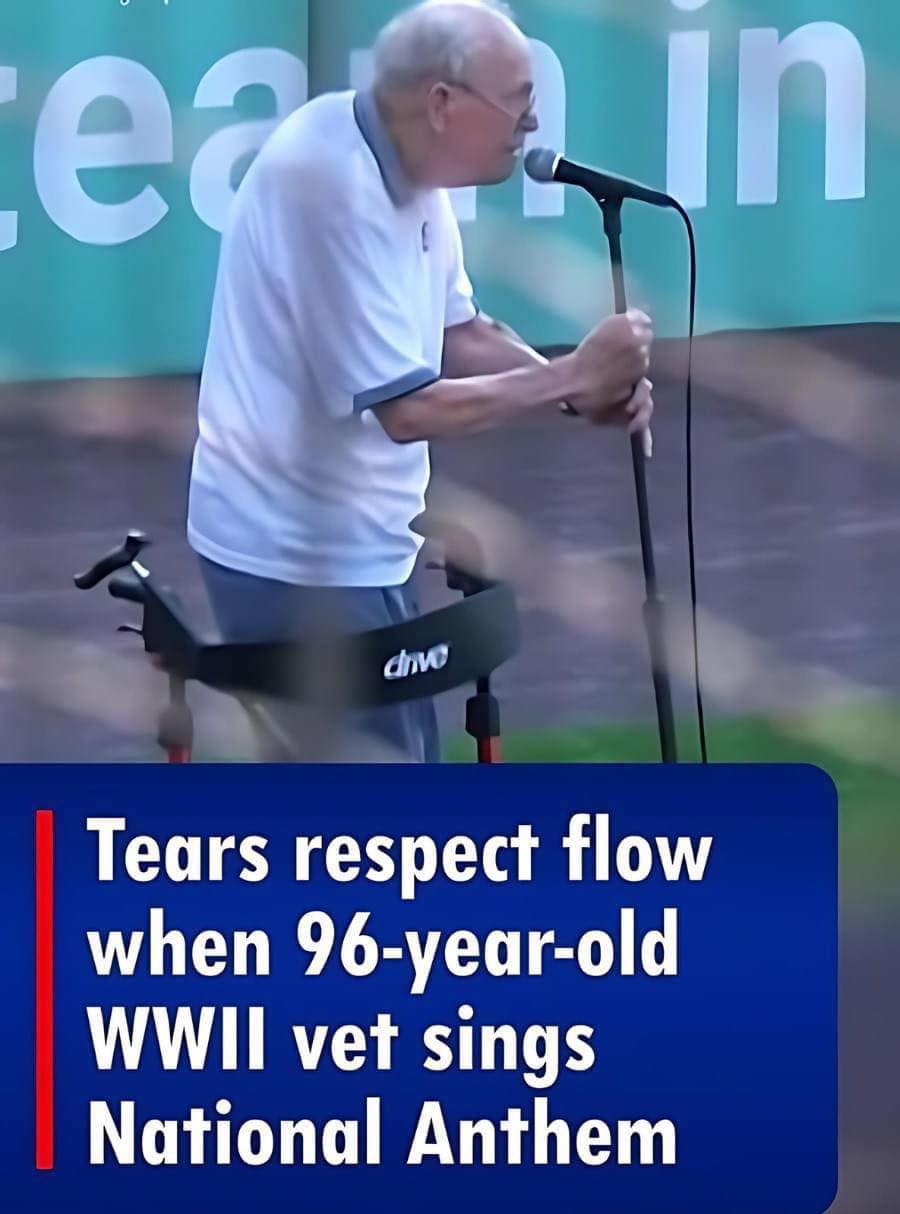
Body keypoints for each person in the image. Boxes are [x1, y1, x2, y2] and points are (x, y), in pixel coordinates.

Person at [186, 0, 654, 763]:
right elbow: (405, 410)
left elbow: (458, 334)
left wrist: (576, 391)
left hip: (361, 543)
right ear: (442, 103)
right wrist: (572, 372)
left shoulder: (411, 171)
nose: (533, 125)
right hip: (295, 555)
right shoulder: (326, 186)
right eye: (521, 101)